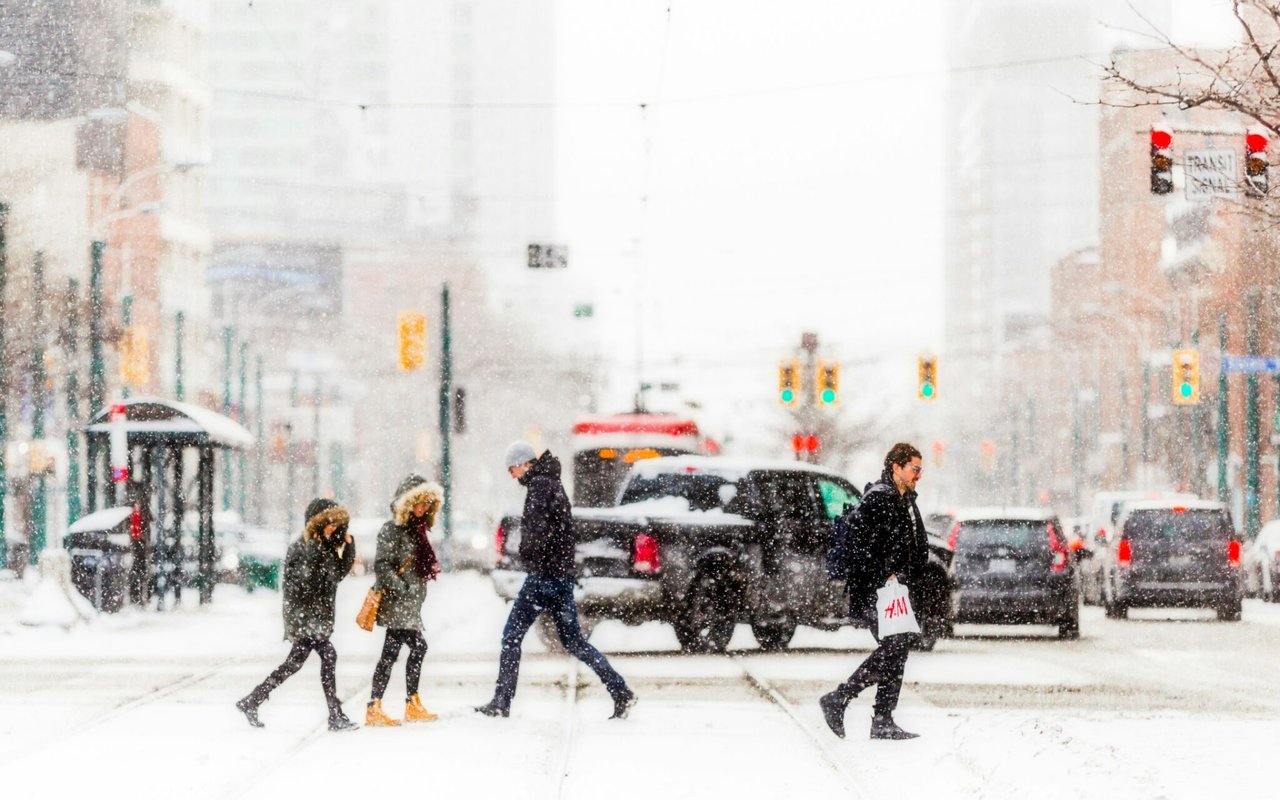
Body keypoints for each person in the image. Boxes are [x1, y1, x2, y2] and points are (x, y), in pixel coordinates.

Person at [476, 441, 637, 719]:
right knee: (575, 642)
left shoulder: (539, 487)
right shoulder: (553, 483)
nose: (512, 475)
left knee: (511, 637)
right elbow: (560, 532)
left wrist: (527, 553)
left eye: (512, 469)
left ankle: (501, 702)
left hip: (542, 577)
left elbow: (538, 534)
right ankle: (620, 690)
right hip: (560, 577)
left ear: (525, 463)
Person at [819, 442, 928, 740]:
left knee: (898, 648)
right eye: (914, 469)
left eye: (920, 470)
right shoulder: (879, 499)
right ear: (896, 467)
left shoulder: (903, 499)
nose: (919, 475)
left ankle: (882, 719)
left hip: (893, 590)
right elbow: (858, 545)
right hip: (875, 591)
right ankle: (839, 699)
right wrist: (884, 573)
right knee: (894, 648)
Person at [236, 498, 358, 732]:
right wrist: (318, 556)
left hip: (315, 617)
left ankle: (252, 700)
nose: (333, 527)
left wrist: (348, 546)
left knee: (293, 664)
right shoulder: (303, 546)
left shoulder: (324, 545)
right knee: (328, 656)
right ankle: (334, 715)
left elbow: (337, 574)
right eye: (330, 522)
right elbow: (300, 584)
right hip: (304, 617)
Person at [364, 474, 443, 727]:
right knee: (417, 648)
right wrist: (404, 588)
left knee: (390, 654)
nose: (424, 508)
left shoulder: (417, 530)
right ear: (407, 503)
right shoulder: (392, 529)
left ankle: (379, 705)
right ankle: (407, 703)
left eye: (428, 504)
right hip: (397, 603)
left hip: (409, 604)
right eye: (420, 503)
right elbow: (383, 566)